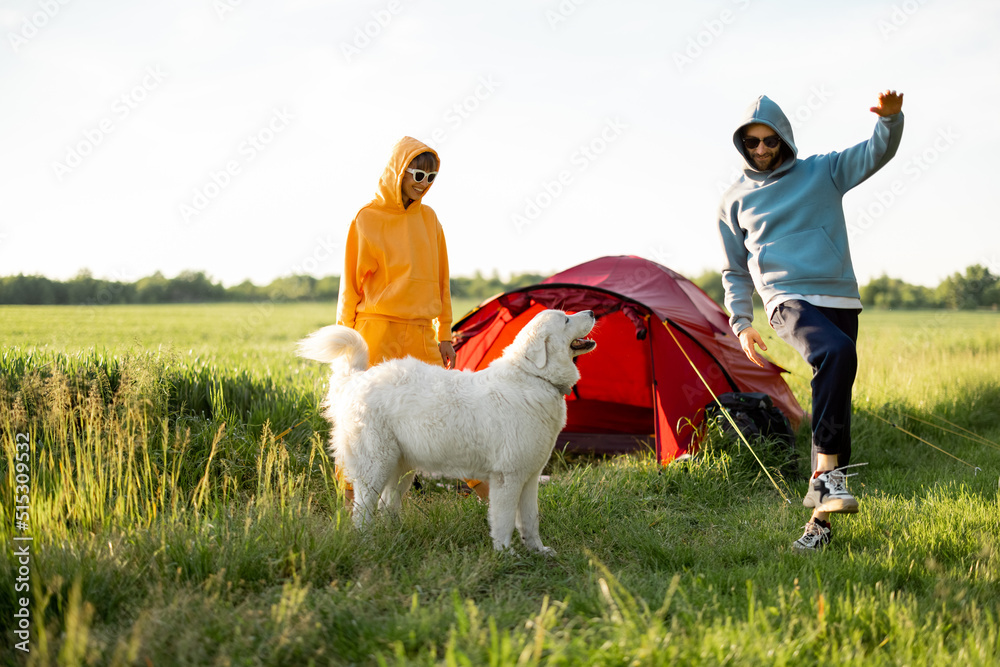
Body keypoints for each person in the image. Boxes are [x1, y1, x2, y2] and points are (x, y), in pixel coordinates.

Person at [717, 90, 904, 551]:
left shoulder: (822, 171)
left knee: (836, 392)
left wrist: (891, 120)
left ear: (783, 139)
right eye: (752, 142)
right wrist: (742, 322)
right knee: (835, 352)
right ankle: (824, 476)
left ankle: (817, 527)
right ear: (741, 145)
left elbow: (875, 152)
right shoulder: (733, 201)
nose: (761, 149)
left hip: (839, 295)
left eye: (769, 140)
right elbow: (735, 270)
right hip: (786, 299)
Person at [336, 136, 489, 506]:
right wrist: (344, 346)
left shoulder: (430, 218)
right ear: (398, 171)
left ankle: (499, 502)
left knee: (452, 414)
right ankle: (353, 511)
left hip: (422, 334)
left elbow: (442, 282)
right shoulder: (366, 218)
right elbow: (350, 288)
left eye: (431, 176)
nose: (423, 182)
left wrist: (446, 333)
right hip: (376, 332)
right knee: (363, 421)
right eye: (417, 173)